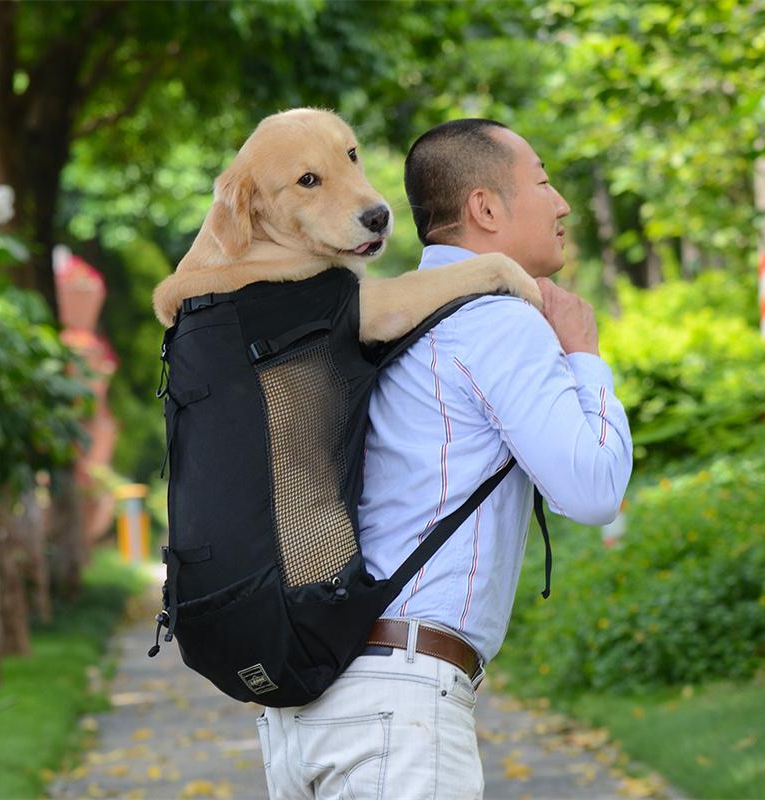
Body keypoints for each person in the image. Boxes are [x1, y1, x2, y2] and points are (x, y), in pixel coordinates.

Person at [256, 119, 633, 799]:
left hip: (308, 707)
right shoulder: (498, 320)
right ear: (486, 208)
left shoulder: (396, 316)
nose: (562, 204)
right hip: (397, 712)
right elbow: (593, 486)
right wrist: (583, 352)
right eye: (544, 182)